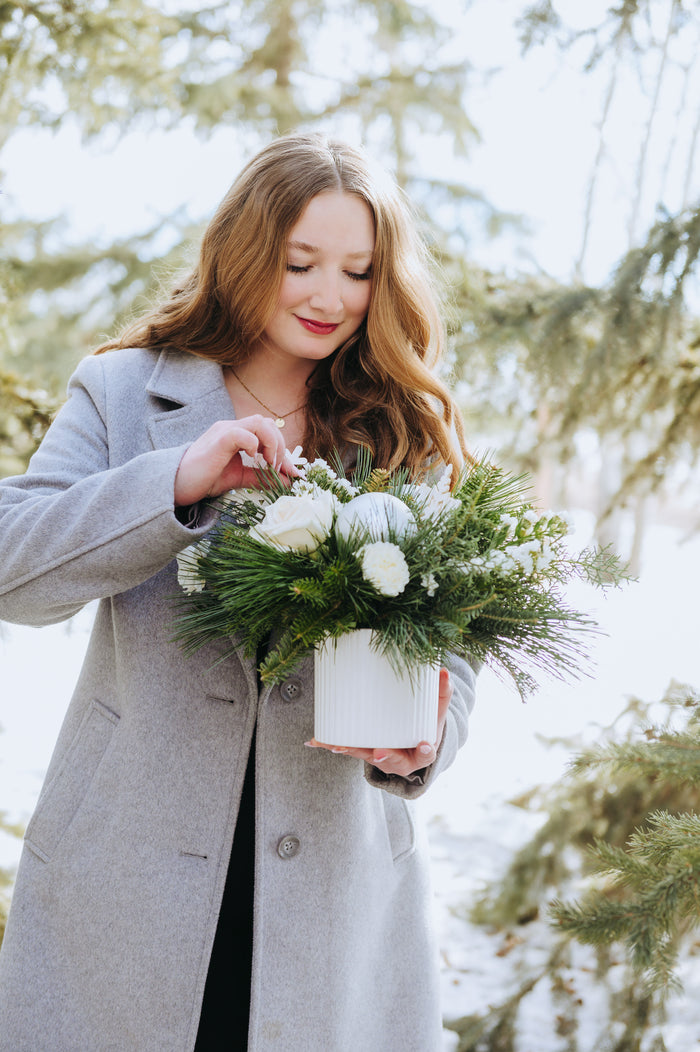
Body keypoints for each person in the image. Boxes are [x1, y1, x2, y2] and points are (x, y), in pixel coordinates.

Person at [0, 132, 477, 1051]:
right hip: (127, 885)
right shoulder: (123, 392)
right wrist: (174, 484)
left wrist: (427, 738)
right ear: (246, 253)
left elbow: (453, 639)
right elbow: (13, 569)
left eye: (358, 272)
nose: (330, 297)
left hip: (332, 899)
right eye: (301, 263)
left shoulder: (402, 428)